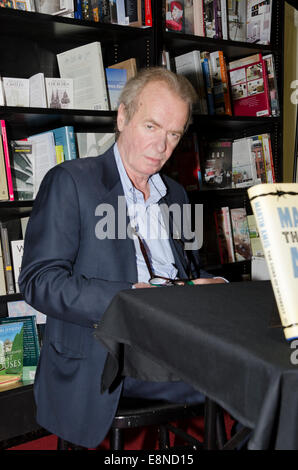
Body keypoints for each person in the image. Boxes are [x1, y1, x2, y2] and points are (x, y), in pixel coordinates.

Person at [19, 67, 226, 449]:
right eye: (151, 126)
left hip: (173, 343)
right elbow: (38, 281)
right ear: (122, 116)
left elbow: (192, 271)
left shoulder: (176, 195)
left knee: (265, 373)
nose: (162, 146)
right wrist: (130, 298)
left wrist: (211, 288)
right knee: (252, 381)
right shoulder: (71, 182)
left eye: (174, 134)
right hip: (106, 358)